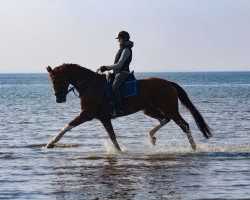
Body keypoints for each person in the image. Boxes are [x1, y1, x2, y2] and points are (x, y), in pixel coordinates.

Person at [99, 31, 134, 117]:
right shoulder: (122, 48)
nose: (118, 41)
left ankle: (119, 109)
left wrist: (106, 68)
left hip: (123, 73)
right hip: (117, 72)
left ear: (124, 39)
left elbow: (119, 64)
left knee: (114, 87)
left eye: (119, 39)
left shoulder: (126, 50)